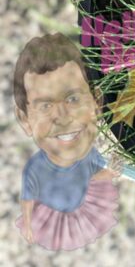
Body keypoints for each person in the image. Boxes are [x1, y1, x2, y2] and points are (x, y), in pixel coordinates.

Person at [13, 32, 122, 251]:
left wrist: (109, 172)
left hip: (79, 202)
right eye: (45, 106)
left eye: (73, 99)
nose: (62, 118)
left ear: (97, 101)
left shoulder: (90, 156)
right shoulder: (35, 168)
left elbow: (93, 178)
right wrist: (27, 222)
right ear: (25, 119)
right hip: (57, 206)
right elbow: (28, 197)